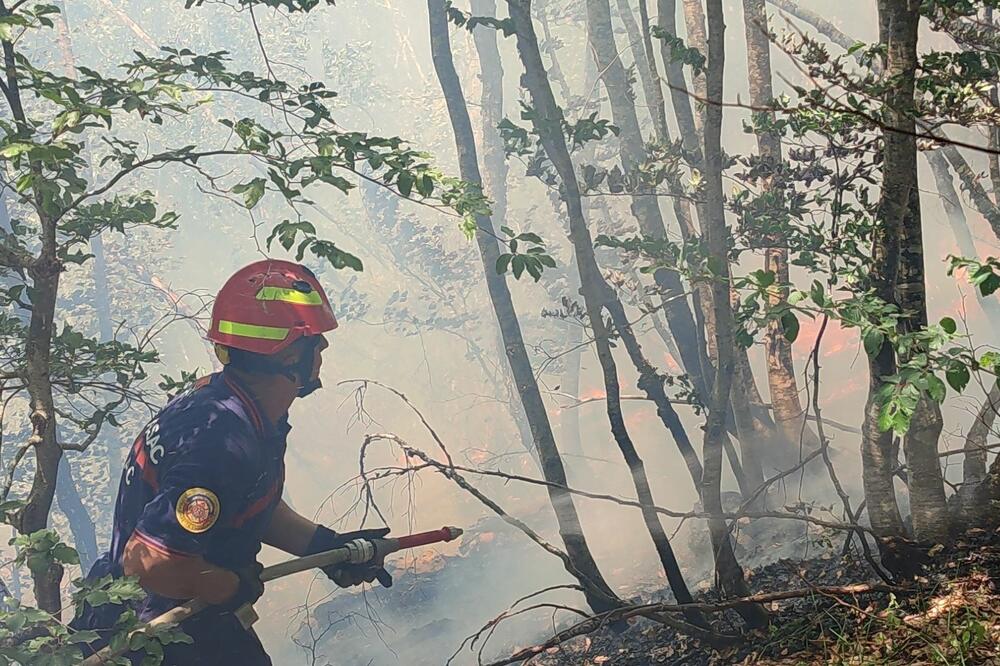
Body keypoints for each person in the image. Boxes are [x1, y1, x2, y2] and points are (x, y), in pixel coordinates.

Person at [74, 259, 390, 665]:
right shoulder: (221, 442)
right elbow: (147, 561)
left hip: (184, 619)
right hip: (155, 636)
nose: (324, 348)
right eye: (314, 340)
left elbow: (246, 500)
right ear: (289, 355)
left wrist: (325, 546)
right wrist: (228, 586)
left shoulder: (232, 405)